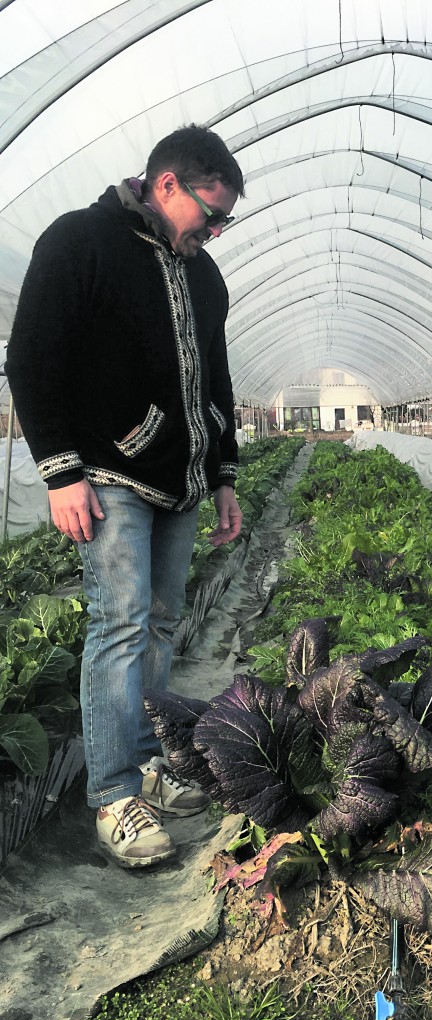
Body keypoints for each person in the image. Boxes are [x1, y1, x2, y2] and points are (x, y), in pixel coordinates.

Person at [5, 125, 245, 868]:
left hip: (183, 479)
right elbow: (31, 355)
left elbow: (217, 381)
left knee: (163, 623)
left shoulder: (203, 277)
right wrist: (60, 470)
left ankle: (151, 765)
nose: (214, 231)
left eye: (225, 221)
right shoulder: (82, 241)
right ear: (166, 184)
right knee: (121, 624)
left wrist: (226, 474)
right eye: (210, 213)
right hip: (110, 476)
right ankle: (113, 795)